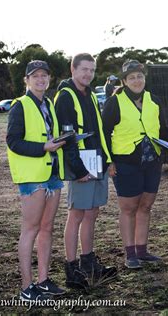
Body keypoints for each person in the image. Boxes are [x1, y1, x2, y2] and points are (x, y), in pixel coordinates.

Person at [102, 60, 168, 269]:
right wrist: (108, 160)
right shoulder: (114, 102)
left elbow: (162, 128)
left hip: (152, 161)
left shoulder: (153, 100)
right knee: (129, 208)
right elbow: (104, 133)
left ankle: (142, 250)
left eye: (139, 76)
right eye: (132, 77)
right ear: (124, 81)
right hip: (125, 162)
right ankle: (130, 254)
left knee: (146, 206)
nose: (137, 80)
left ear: (144, 78)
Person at [55, 53, 117, 288]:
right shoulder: (65, 96)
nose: (88, 74)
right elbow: (67, 137)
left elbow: (99, 131)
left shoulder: (90, 95)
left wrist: (108, 160)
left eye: (91, 70)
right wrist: (78, 170)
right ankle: (71, 269)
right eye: (84, 70)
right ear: (73, 70)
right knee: (77, 214)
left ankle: (88, 262)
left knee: (92, 212)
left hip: (97, 162)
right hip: (81, 166)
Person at [7, 60, 66, 300]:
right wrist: (44, 146)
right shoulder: (19, 106)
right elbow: (14, 141)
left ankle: (43, 281)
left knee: (47, 228)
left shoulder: (48, 104)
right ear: (27, 80)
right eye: (36, 76)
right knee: (30, 229)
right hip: (32, 178)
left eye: (44, 76)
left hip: (52, 174)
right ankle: (26, 287)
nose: (41, 79)